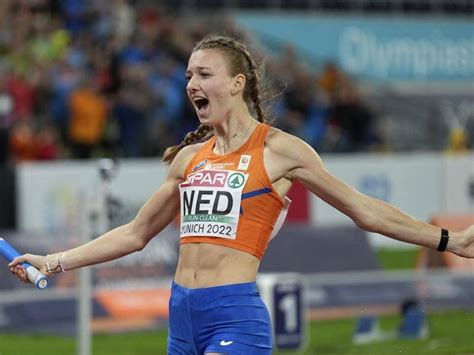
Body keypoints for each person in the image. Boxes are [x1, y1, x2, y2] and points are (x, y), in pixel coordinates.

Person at [9, 34, 474, 355]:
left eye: (204, 74)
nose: (192, 83)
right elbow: (135, 234)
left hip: (233, 313)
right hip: (181, 315)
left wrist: (447, 240)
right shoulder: (189, 159)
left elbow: (365, 210)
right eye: (189, 74)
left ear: (237, 84)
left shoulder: (281, 150)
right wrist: (52, 261)